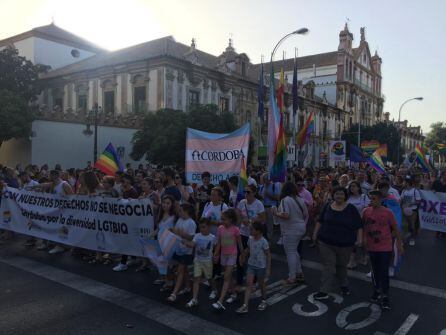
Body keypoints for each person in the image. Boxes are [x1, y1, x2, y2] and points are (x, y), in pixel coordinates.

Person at [312, 187, 363, 300]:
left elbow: (359, 226)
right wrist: (315, 234)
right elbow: (320, 221)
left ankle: (343, 284)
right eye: (336, 194)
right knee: (328, 266)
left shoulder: (351, 209)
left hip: (344, 244)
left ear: (345, 196)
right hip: (325, 242)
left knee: (341, 266)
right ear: (333, 195)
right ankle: (324, 290)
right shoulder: (327, 206)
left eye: (341, 194)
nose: (339, 196)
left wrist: (359, 240)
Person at [362, 190, 404, 310]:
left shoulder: (388, 212)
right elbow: (363, 226)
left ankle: (385, 295)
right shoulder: (366, 211)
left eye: (374, 199)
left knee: (384, 271)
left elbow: (396, 229)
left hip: (385, 246)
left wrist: (400, 245)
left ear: (380, 200)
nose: (371, 201)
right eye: (370, 198)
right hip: (372, 246)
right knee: (375, 271)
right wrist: (363, 239)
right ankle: (376, 290)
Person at [273, 182, 308, 284]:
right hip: (301, 227)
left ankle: (292, 276)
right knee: (294, 251)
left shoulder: (285, 200)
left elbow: (286, 215)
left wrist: (276, 213)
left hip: (290, 229)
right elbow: (306, 214)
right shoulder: (300, 199)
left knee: (290, 253)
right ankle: (299, 272)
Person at [235, 184, 266, 294]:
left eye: (248, 192)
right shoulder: (242, 203)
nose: (246, 194)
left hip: (254, 236)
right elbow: (238, 217)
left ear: (254, 193)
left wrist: (252, 221)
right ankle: (239, 282)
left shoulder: (259, 204)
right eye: (245, 192)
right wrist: (239, 225)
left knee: (253, 259)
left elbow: (263, 220)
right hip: (243, 233)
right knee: (240, 257)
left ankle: (254, 282)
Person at [236, 221, 271, 314]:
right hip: (251, 265)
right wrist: (242, 256)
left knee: (261, 284)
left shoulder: (264, 241)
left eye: (252, 229)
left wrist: (268, 268)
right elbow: (248, 249)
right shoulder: (250, 239)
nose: (249, 230)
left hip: (261, 267)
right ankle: (245, 305)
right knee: (248, 284)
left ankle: (264, 300)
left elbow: (268, 255)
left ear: (258, 231)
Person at [212, 209, 243, 311]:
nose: (222, 221)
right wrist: (216, 254)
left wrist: (242, 255)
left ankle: (220, 301)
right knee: (228, 276)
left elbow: (239, 244)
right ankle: (233, 294)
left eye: (224, 219)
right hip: (223, 255)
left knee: (226, 277)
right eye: (221, 219)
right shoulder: (220, 228)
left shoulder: (235, 229)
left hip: (232, 255)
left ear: (231, 219)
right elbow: (219, 243)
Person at [167, 203, 197, 302]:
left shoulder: (191, 223)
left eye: (181, 210)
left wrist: (178, 232)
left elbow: (191, 237)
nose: (179, 212)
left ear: (186, 212)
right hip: (178, 248)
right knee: (184, 270)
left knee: (180, 270)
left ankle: (174, 293)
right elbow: (176, 232)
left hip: (186, 250)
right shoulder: (180, 220)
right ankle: (188, 286)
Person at [184, 218, 216, 308]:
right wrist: (187, 243)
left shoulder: (212, 238)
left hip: (208, 261)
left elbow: (217, 246)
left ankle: (214, 290)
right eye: (200, 227)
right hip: (198, 261)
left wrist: (216, 255)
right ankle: (194, 299)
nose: (202, 229)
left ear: (209, 227)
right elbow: (193, 244)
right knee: (196, 279)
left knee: (209, 277)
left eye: (204, 227)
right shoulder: (197, 236)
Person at [401, 175, 421, 246]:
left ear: (408, 183)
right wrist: (402, 205)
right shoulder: (403, 191)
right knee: (405, 226)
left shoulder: (415, 191)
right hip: (404, 210)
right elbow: (402, 200)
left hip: (413, 211)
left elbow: (418, 201)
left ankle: (412, 239)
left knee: (412, 225)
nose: (403, 183)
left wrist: (410, 204)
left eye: (404, 182)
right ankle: (405, 239)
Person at [260, 173, 281, 241]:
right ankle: (262, 239)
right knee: (262, 224)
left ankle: (269, 240)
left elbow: (277, 198)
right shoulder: (262, 187)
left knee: (269, 225)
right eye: (263, 179)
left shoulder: (274, 186)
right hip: (262, 207)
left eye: (265, 179)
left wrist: (268, 194)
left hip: (270, 207)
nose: (264, 181)